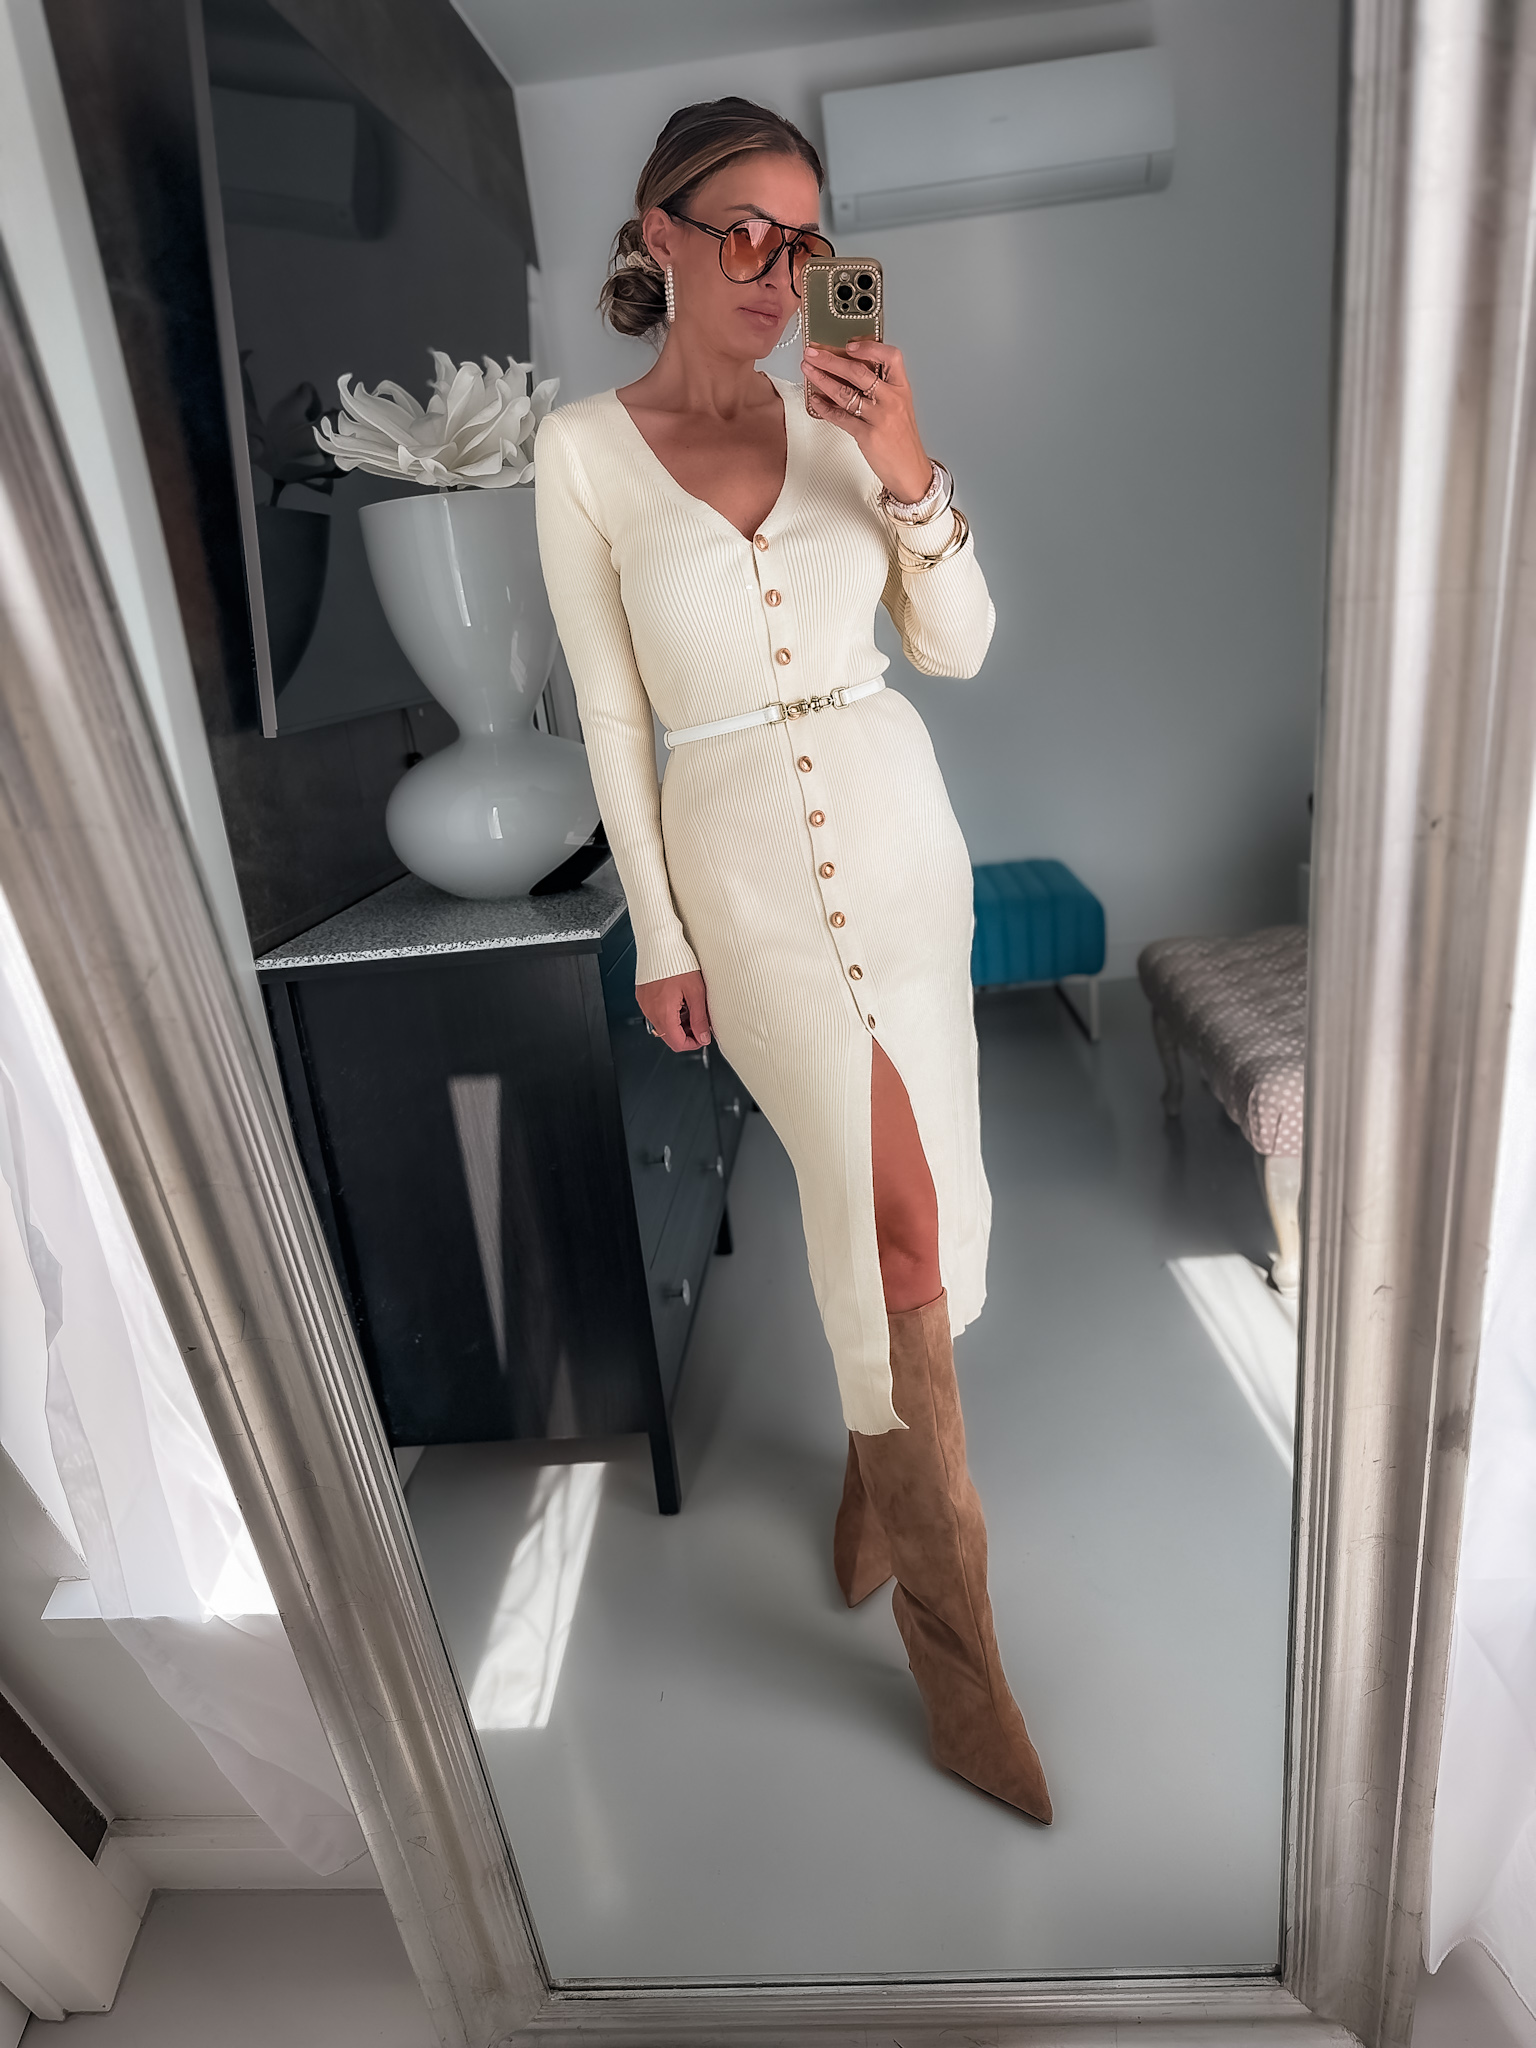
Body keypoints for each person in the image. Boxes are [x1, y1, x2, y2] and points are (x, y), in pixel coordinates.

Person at [535, 97, 1050, 1823]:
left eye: (806, 238)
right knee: (884, 1209)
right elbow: (616, 717)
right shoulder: (582, 454)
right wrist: (658, 930)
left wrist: (906, 461)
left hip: (900, 847)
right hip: (741, 879)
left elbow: (960, 648)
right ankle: (963, 1670)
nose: (777, 268)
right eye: (742, 229)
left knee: (908, 1205)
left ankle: (867, 1484)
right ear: (659, 235)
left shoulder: (847, 421)